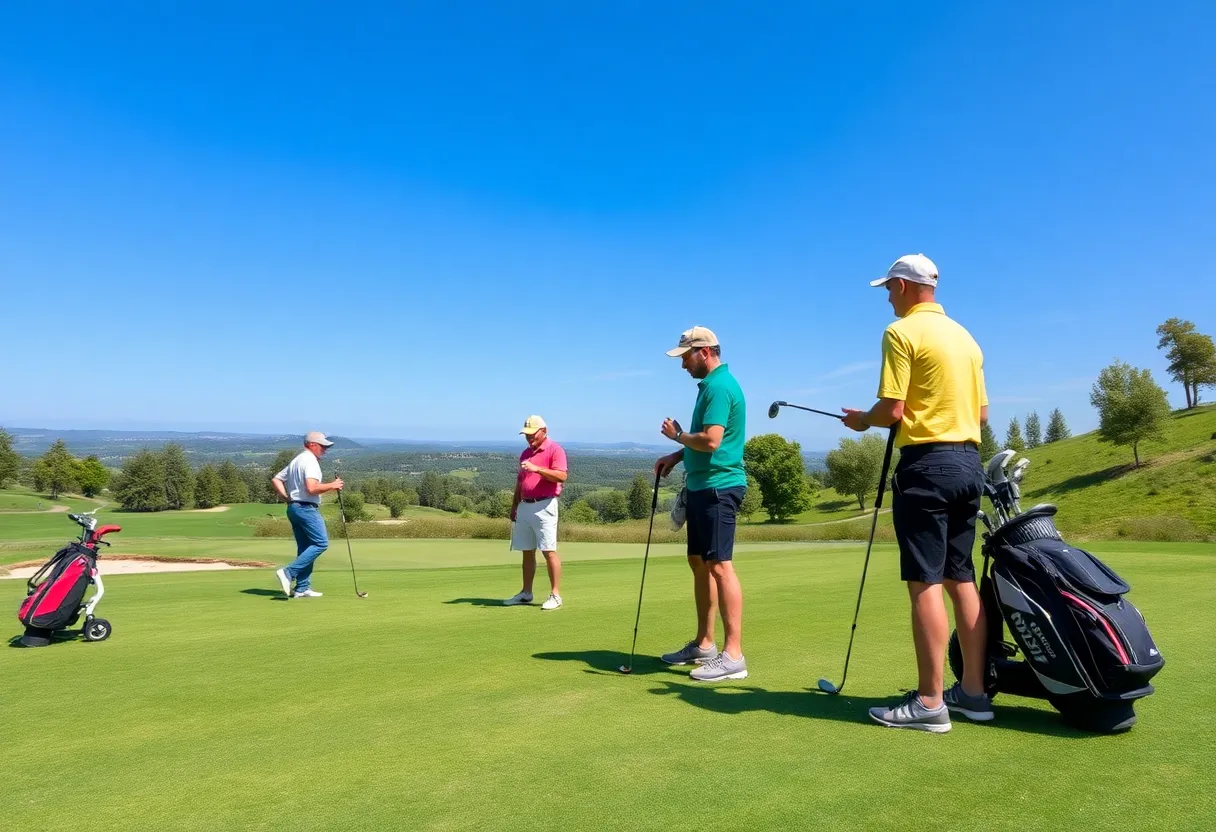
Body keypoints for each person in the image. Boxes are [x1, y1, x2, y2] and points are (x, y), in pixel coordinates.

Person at [841, 254, 992, 733]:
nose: (887, 296)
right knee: (960, 578)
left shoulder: (901, 333)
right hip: (970, 463)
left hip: (927, 467)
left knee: (924, 582)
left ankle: (930, 702)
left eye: (889, 288)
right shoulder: (966, 337)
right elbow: (983, 415)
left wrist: (863, 420)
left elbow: (892, 409)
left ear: (905, 286)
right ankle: (973, 693)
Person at [654, 326, 749, 682]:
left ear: (704, 352)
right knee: (699, 561)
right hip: (701, 486)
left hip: (718, 488)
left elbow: (711, 441)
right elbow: (706, 442)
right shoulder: (711, 387)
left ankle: (733, 655)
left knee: (720, 566)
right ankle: (705, 643)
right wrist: (678, 454)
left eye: (685, 357)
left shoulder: (720, 387)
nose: (682, 366)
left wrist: (677, 435)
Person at [503, 416, 568, 610]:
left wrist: (538, 469)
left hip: (545, 505)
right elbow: (520, 481)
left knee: (548, 551)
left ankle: (555, 595)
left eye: (532, 435)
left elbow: (562, 475)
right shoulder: (525, 453)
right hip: (525, 505)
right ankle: (526, 593)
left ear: (544, 431)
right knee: (527, 551)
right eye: (527, 435)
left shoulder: (555, 450)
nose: (529, 439)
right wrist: (515, 505)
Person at [271, 432, 344, 599]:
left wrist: (286, 498)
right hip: (306, 508)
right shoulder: (310, 460)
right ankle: (288, 572)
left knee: (305, 548)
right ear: (312, 444)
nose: (325, 450)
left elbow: (276, 479)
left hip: (294, 508)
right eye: (322, 446)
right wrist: (333, 485)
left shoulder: (297, 460)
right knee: (321, 543)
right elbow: (311, 488)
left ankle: (302, 588)